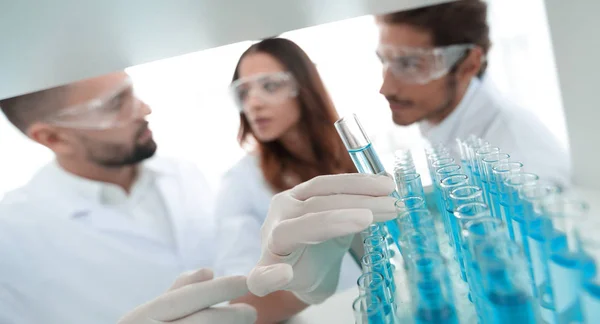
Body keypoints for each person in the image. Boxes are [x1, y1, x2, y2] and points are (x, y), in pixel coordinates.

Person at [0, 70, 398, 324]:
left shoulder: (183, 174)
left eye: (131, 92)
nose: (144, 108)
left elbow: (239, 301)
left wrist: (299, 286)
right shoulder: (11, 237)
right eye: (115, 104)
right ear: (51, 137)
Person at [213, 37, 363, 323]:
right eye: (244, 92)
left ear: (304, 87)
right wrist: (303, 291)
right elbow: (238, 306)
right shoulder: (239, 183)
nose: (253, 103)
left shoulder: (351, 155)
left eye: (270, 86)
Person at [375, 0, 571, 186]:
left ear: (469, 65)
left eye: (410, 65)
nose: (386, 88)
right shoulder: (441, 118)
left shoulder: (523, 166)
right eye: (384, 60)